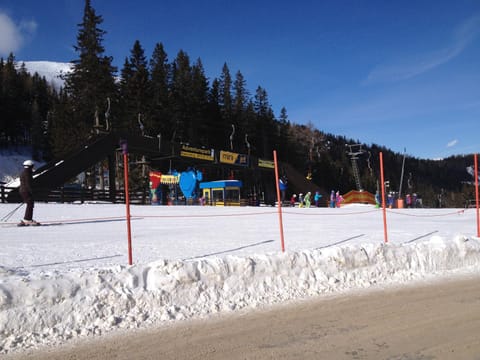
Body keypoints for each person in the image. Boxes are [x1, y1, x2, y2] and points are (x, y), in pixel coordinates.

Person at [19, 160, 38, 225]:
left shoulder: (24, 172)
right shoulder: (27, 173)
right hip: (26, 191)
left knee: (29, 204)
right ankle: (27, 219)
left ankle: (27, 218)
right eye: (32, 166)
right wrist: (31, 191)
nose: (33, 167)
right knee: (30, 204)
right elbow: (28, 183)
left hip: (23, 190)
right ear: (30, 166)